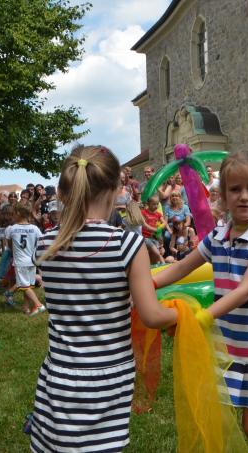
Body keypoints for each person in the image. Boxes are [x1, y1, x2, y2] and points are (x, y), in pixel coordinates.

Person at [153, 151, 248, 452]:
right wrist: (149, 283)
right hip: (231, 346)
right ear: (223, 196)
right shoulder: (218, 237)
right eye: (235, 189)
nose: (244, 197)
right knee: (225, 416)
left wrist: (204, 317)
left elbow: (246, 289)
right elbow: (184, 266)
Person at [30, 146, 177, 452]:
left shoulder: (46, 244)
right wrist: (183, 314)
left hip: (58, 375)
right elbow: (151, 314)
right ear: (117, 191)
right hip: (107, 380)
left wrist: (194, 260)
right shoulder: (127, 244)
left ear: (63, 191)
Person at [5, 203, 45, 316]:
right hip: (32, 261)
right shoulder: (35, 228)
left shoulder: (12, 229)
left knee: (24, 286)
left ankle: (38, 305)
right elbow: (41, 243)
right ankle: (26, 308)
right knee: (28, 286)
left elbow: (9, 245)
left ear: (17, 213)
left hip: (20, 261)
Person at [141, 195, 166, 264]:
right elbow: (143, 224)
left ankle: (155, 265)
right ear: (148, 204)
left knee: (156, 254)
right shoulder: (143, 212)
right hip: (145, 237)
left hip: (155, 237)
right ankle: (163, 264)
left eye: (157, 204)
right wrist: (156, 230)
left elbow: (164, 222)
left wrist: (159, 228)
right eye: (154, 204)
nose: (156, 206)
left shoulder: (158, 214)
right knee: (155, 253)